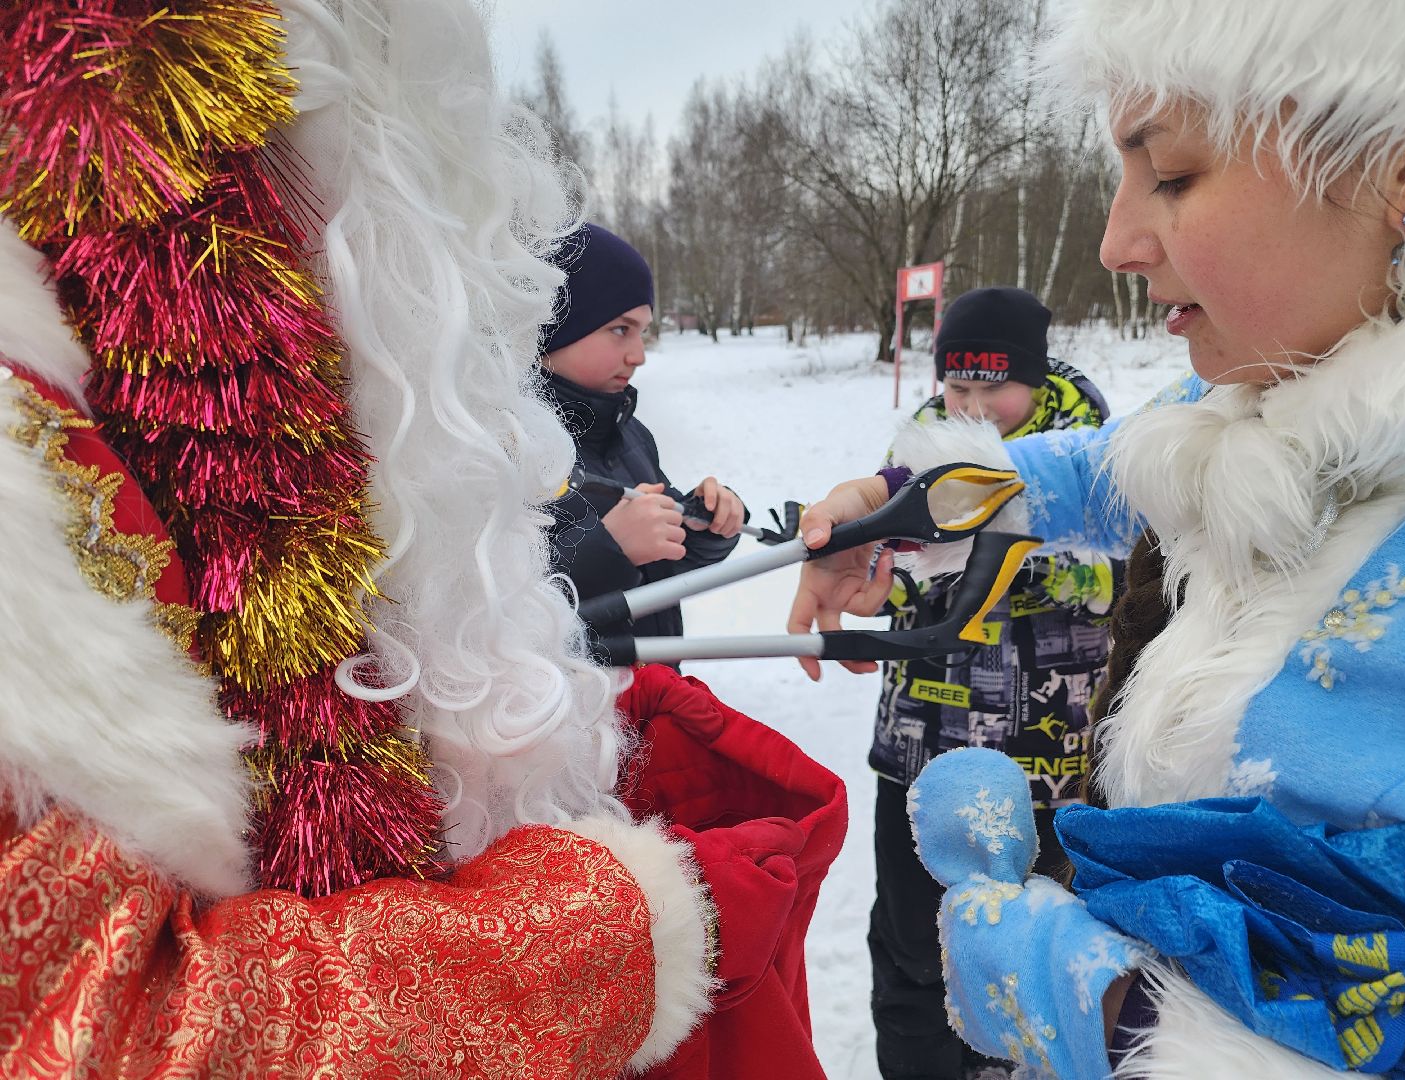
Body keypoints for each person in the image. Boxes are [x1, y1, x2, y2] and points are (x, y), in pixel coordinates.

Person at [0, 1, 842, 1076]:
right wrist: (618, 927)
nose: (637, 351)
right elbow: (102, 1019)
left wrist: (672, 578)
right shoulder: (63, 421)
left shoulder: (412, 410)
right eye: (618, 329)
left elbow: (422, 600)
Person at [789, 0, 1405, 1075]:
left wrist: (1129, 1025)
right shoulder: (1263, 407)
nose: (1116, 241)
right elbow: (1101, 468)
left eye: (1173, 175)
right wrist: (898, 495)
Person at [864, 287, 1119, 1080]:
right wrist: (884, 586)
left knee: (1033, 943)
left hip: (1044, 761)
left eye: (991, 387)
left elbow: (1106, 580)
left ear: (1037, 378)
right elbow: (897, 569)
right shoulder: (920, 454)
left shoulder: (1094, 456)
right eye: (957, 387)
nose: (972, 406)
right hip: (922, 752)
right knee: (911, 948)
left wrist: (1000, 551)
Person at [541, 223, 746, 640]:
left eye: (643, 332)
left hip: (654, 691)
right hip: (569, 701)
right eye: (620, 329)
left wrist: (699, 525)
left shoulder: (629, 433)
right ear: (555, 324)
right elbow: (490, 613)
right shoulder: (500, 446)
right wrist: (610, 548)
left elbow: (662, 566)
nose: (638, 356)